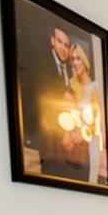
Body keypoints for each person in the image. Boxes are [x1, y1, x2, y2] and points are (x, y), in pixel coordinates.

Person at [17, 11, 89, 182]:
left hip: (70, 146)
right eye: (60, 42)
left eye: (66, 44)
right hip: (47, 141)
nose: (63, 48)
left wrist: (78, 131)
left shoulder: (73, 81)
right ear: (52, 41)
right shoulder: (43, 66)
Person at [69, 43, 105, 184]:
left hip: (91, 143)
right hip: (76, 144)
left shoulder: (93, 88)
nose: (76, 63)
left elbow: (99, 124)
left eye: (78, 58)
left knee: (90, 180)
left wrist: (83, 133)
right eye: (73, 59)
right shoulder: (72, 84)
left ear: (84, 61)